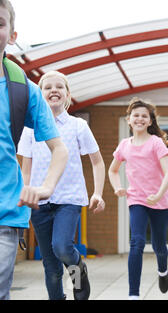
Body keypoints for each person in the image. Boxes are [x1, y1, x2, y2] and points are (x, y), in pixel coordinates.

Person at [0, 0, 68, 300]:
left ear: (12, 35)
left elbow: (60, 150)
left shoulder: (22, 89)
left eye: (0, 23)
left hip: (5, 213)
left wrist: (44, 187)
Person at [17, 70, 105, 300]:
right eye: (47, 87)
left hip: (69, 199)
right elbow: (26, 168)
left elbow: (97, 161)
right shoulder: (29, 129)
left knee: (63, 248)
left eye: (59, 87)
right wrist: (23, 201)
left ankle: (78, 272)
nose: (53, 90)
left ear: (68, 95)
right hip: (39, 202)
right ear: (40, 95)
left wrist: (97, 192)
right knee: (50, 265)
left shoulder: (78, 126)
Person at [108, 97, 168, 300]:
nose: (140, 118)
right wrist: (118, 187)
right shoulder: (124, 145)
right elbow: (113, 170)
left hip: (160, 201)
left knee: (159, 246)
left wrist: (159, 194)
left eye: (144, 116)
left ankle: (162, 271)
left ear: (150, 121)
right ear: (129, 119)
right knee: (136, 242)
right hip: (136, 199)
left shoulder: (156, 143)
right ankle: (133, 294)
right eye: (136, 115)